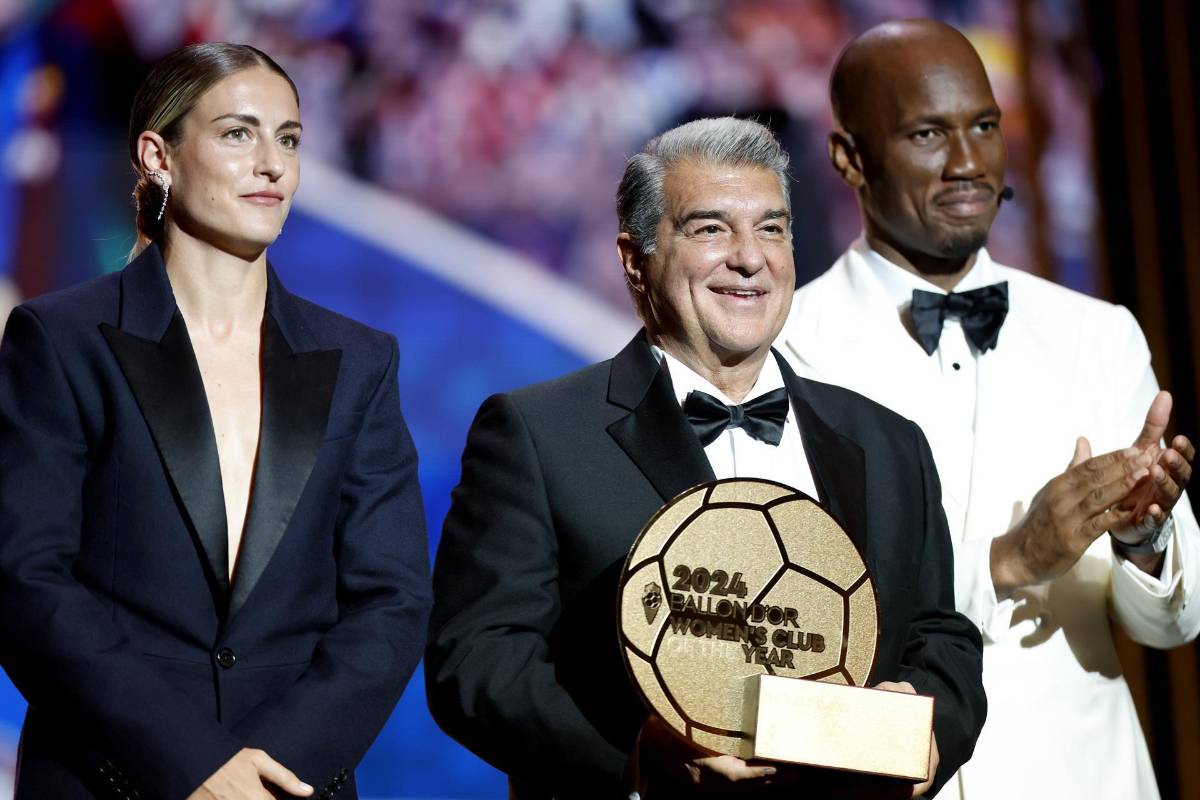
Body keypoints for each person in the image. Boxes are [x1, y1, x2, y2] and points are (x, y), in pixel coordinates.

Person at [426, 117, 985, 799]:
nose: (751, 258)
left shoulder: (887, 441)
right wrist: (635, 757)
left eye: (773, 228)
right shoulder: (538, 435)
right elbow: (476, 660)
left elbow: (941, 635)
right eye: (711, 229)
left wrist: (927, 732)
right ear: (635, 259)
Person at [777, 19, 1200, 800]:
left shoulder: (1098, 334)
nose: (968, 163)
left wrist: (1146, 541)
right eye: (928, 133)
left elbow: (1172, 625)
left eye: (984, 127)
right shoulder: (786, 350)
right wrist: (1011, 557)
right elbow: (797, 611)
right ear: (849, 158)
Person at [0, 43, 431, 800]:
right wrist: (194, 763)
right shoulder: (61, 339)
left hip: (291, 786)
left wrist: (270, 771)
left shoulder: (360, 360)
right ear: (157, 155)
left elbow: (391, 602)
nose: (272, 163)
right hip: (107, 778)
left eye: (289, 138)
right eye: (238, 133)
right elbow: (26, 580)